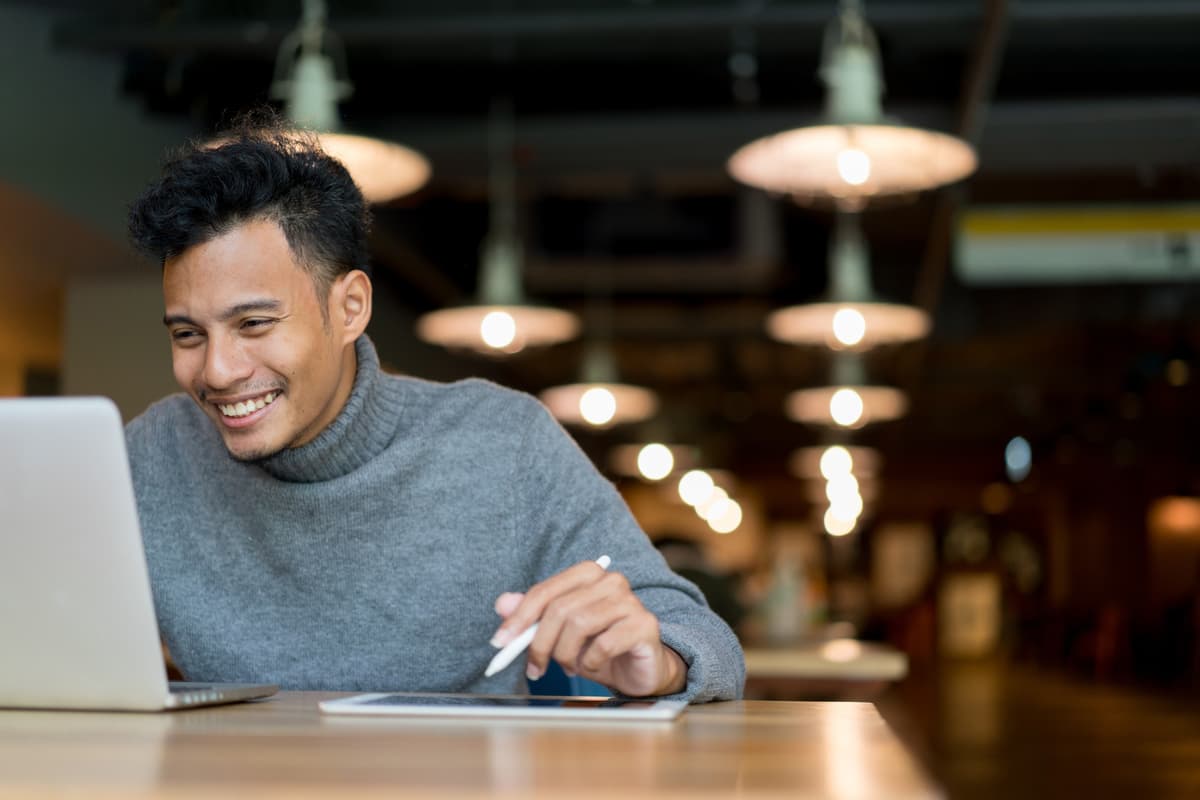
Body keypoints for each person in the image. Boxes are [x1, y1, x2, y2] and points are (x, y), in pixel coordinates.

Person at [123, 121, 744, 703]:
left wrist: (659, 661)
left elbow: (708, 640)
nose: (217, 370)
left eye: (254, 324)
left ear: (349, 308)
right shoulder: (151, 456)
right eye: (187, 335)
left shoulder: (504, 441)